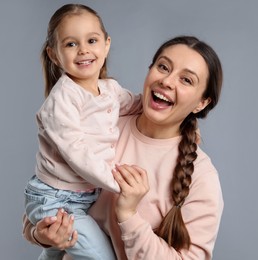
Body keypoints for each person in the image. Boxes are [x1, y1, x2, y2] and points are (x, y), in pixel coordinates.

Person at [23, 35, 224, 260]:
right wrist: (41, 235)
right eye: (163, 67)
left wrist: (128, 216)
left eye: (186, 80)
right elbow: (46, 196)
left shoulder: (201, 176)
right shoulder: (102, 122)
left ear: (202, 103)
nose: (167, 81)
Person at [24, 4, 141, 260]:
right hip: (56, 200)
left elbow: (136, 104)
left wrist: (183, 118)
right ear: (54, 55)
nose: (84, 50)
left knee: (55, 255)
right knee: (102, 257)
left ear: (106, 45)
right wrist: (117, 184)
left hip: (83, 196)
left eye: (92, 40)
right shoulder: (62, 100)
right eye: (71, 44)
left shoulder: (109, 89)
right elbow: (77, 153)